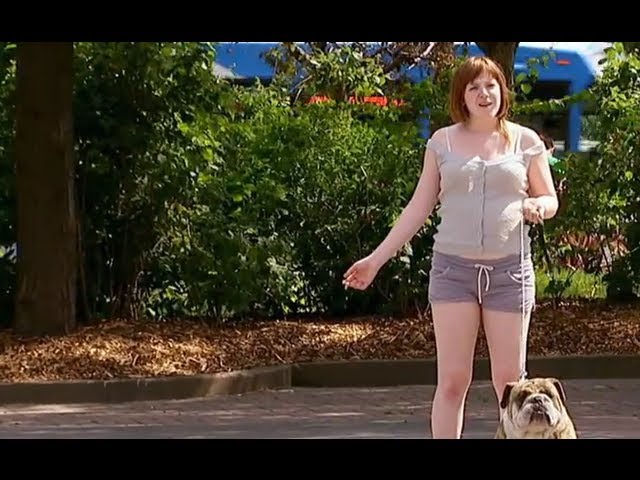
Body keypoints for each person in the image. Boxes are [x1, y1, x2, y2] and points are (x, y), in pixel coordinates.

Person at [342, 56, 558, 439]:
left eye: (490, 85)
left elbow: (550, 198)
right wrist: (376, 260)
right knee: (453, 380)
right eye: (474, 87)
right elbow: (418, 207)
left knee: (510, 382)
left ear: (502, 91)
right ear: (462, 95)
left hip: (509, 273)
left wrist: (539, 205)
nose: (483, 94)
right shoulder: (442, 142)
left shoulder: (526, 141)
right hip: (453, 272)